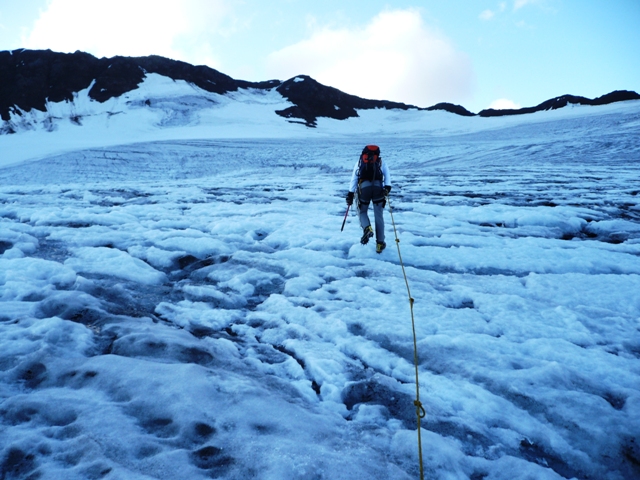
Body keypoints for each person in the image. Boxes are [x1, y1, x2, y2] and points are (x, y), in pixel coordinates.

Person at [346, 145, 391, 253]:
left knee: (362, 211)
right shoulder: (381, 161)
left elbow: (354, 178)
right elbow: (387, 176)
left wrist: (350, 194)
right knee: (378, 216)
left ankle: (367, 228)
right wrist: (387, 188)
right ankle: (380, 244)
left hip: (364, 188)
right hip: (378, 188)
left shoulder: (360, 162)